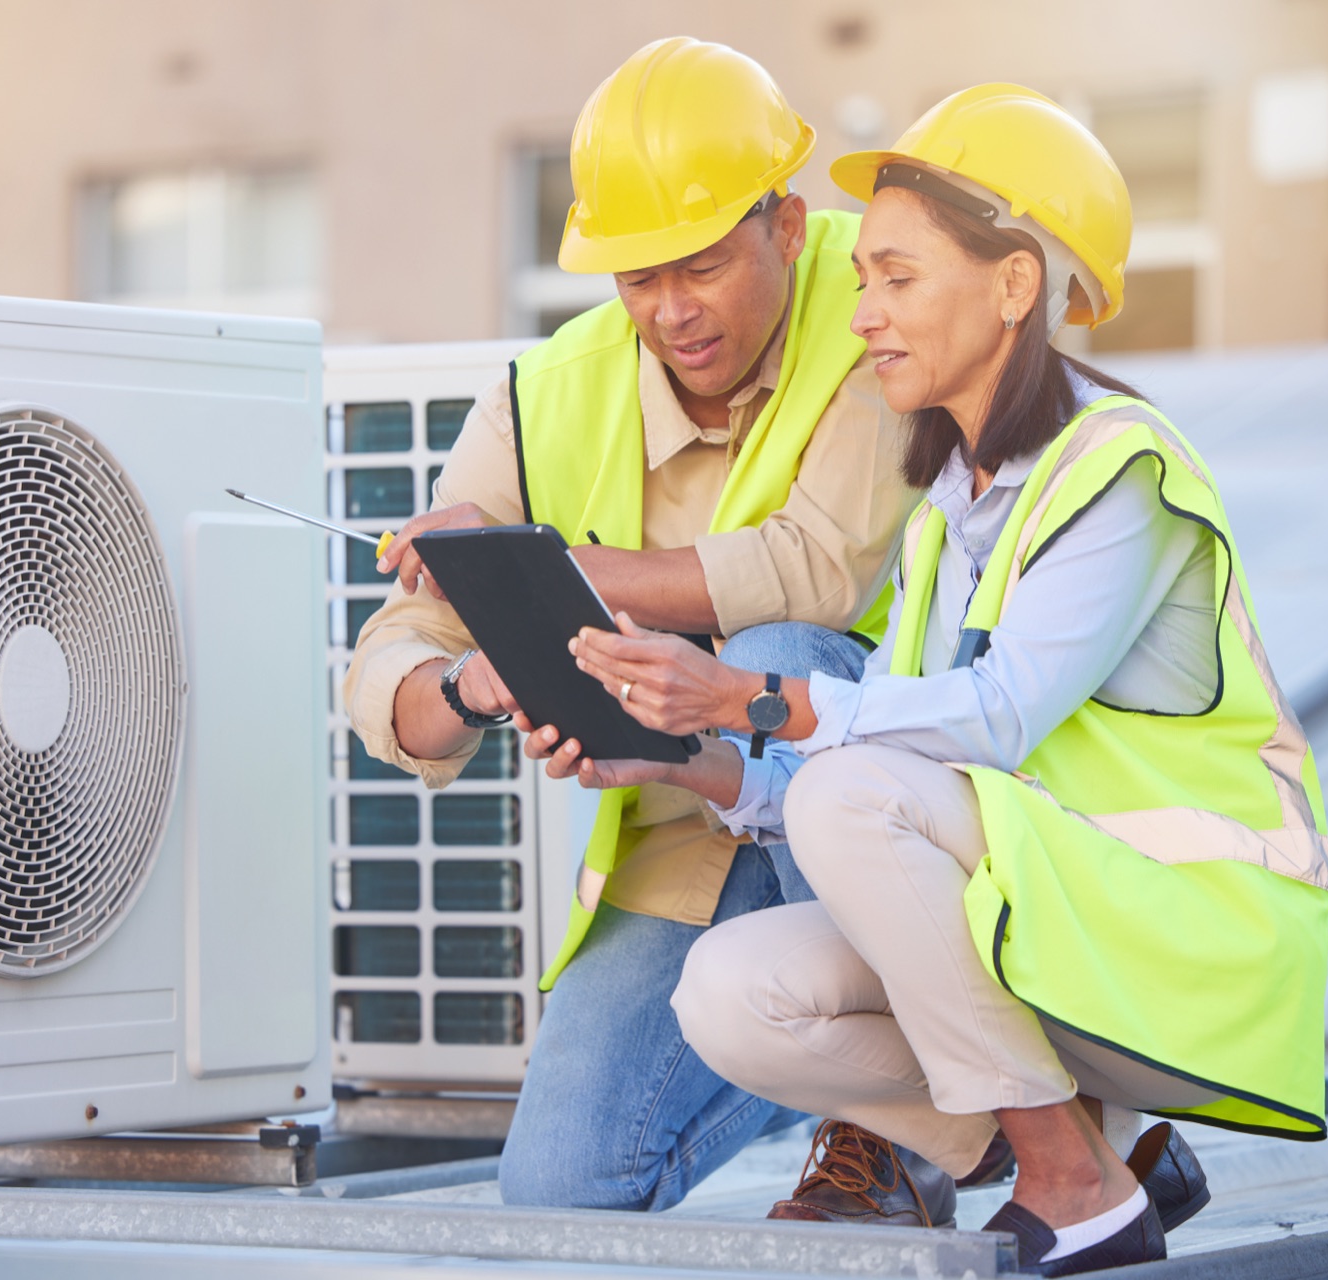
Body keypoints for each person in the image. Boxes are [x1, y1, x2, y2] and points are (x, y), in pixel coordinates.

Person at [549, 83, 1328, 1274]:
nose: (863, 316)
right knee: (731, 989)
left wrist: (748, 697)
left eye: (898, 279)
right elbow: (872, 756)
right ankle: (1105, 1152)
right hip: (1063, 924)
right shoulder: (947, 514)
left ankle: (1074, 1187)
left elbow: (998, 716)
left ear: (1014, 285)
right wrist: (683, 753)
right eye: (863, 279)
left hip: (1192, 936)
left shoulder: (1119, 467)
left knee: (845, 790)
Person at [342, 37, 922, 1214]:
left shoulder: (877, 321)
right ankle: (828, 1053)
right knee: (558, 1195)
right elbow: (394, 663)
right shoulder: (546, 395)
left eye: (702, 265)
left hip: (885, 805)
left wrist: (546, 574)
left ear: (788, 226)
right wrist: (470, 684)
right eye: (638, 277)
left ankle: (896, 1125)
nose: (672, 310)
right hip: (682, 819)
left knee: (774, 660)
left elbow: (813, 568)